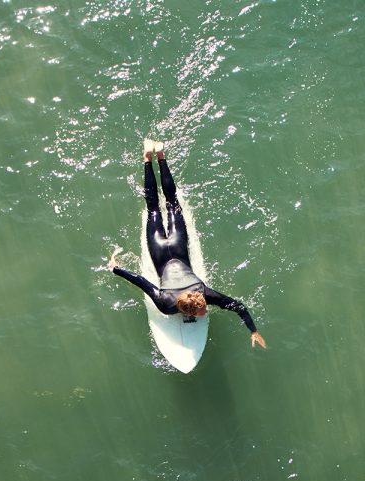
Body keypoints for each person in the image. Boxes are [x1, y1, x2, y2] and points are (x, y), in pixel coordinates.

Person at [110, 141, 267, 349]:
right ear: (187, 311)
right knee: (161, 206)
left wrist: (253, 330)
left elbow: (141, 281)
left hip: (168, 245)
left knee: (161, 206)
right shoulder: (168, 303)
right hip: (163, 247)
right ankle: (153, 156)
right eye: (203, 310)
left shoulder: (196, 294)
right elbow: (140, 282)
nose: (205, 310)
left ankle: (154, 156)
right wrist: (116, 269)